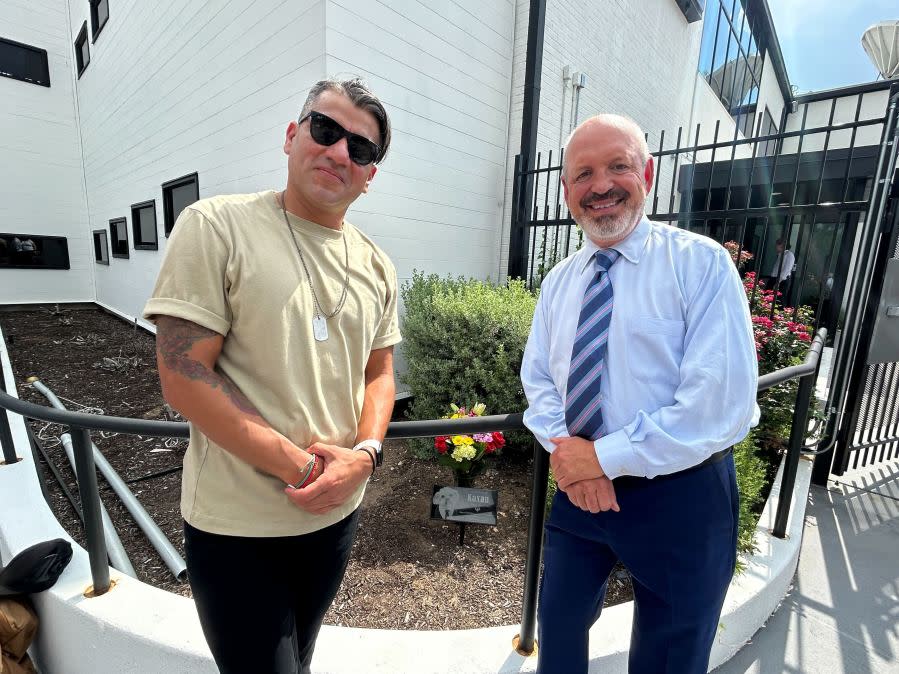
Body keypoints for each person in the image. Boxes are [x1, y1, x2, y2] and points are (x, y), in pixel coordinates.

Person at [142, 77, 401, 674]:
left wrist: (363, 456)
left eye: (360, 149)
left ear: (370, 174)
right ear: (292, 135)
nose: (339, 152)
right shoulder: (216, 226)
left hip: (335, 518)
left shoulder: (377, 264)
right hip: (238, 528)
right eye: (325, 130)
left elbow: (379, 372)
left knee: (302, 655)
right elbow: (183, 374)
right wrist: (308, 470)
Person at [520, 114, 758, 674]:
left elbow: (715, 403)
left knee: (669, 657)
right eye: (583, 174)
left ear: (647, 174)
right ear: (567, 192)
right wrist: (574, 457)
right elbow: (540, 380)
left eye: (618, 166)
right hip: (580, 494)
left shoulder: (700, 265)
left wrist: (599, 457)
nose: (601, 185)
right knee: (557, 630)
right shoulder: (559, 283)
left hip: (680, 497)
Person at [764, 238, 795, 304]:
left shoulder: (789, 254)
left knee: (779, 299)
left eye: (777, 245)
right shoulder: (780, 254)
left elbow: (786, 269)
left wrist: (778, 282)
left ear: (781, 245)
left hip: (782, 280)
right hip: (774, 278)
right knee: (767, 297)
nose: (775, 247)